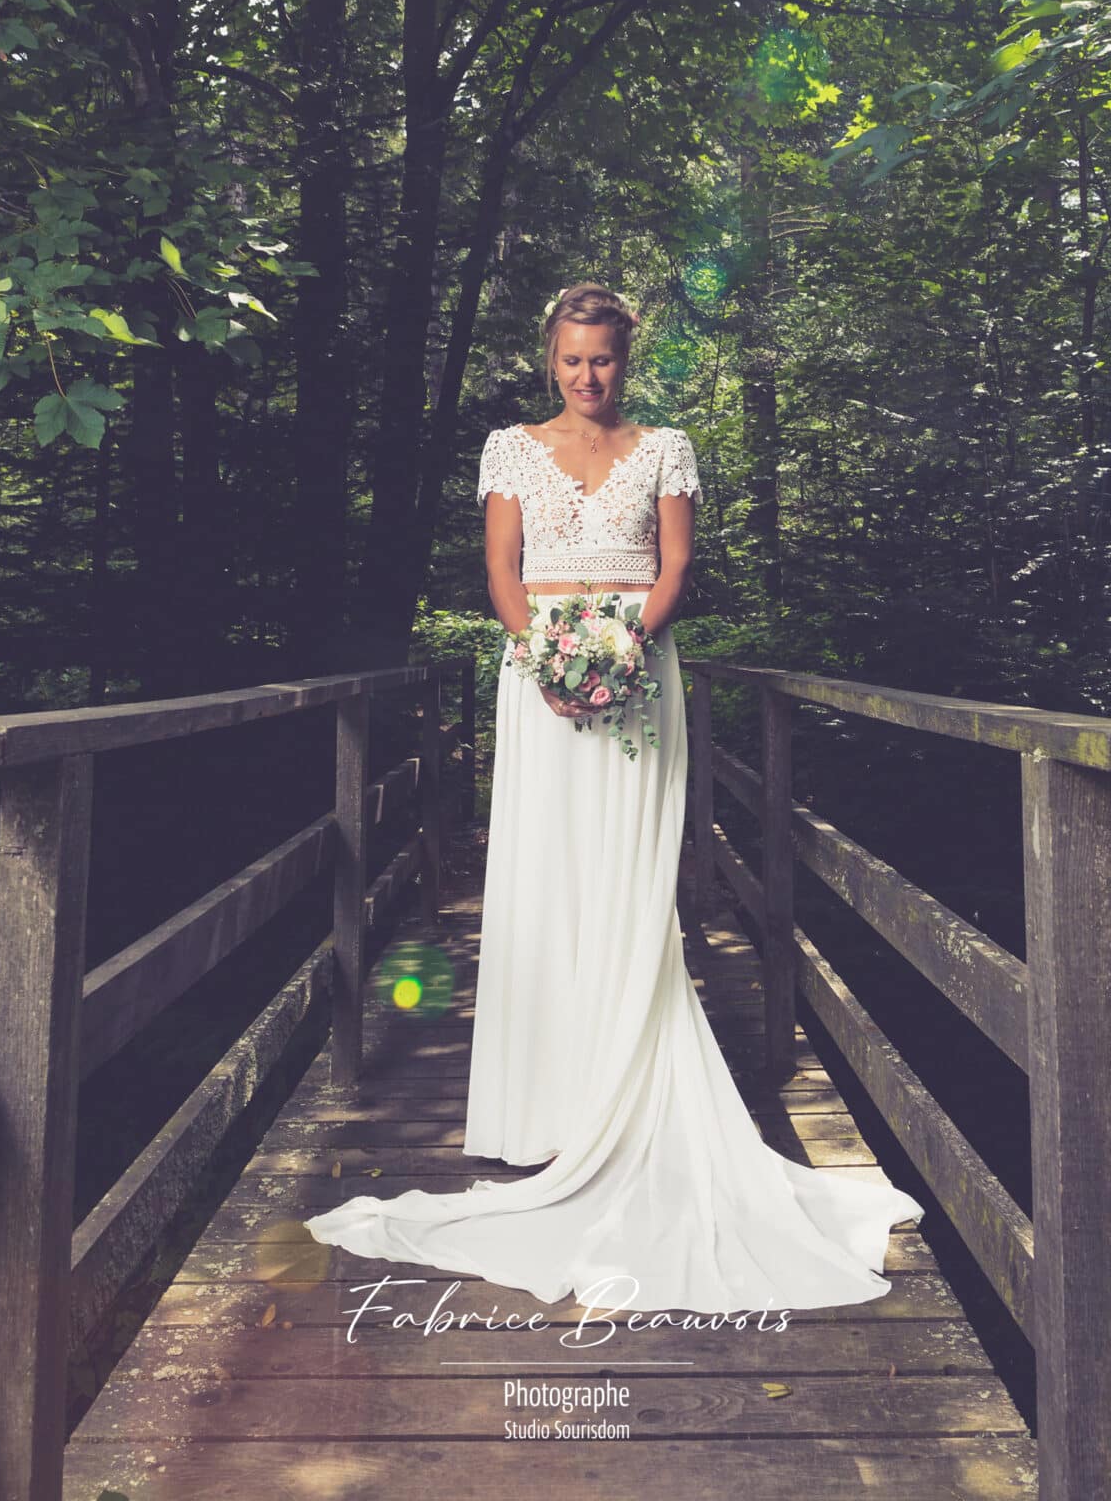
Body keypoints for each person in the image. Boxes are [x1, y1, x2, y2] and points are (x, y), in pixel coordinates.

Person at [304, 281, 925, 1312]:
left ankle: (628, 1095)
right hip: (536, 674)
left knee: (628, 882)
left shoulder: (664, 447)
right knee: (548, 876)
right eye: (570, 359)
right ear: (548, 357)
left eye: (602, 360)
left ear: (623, 361)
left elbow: (676, 565)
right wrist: (546, 655)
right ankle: (541, 1110)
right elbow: (500, 572)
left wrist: (620, 645)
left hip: (638, 674)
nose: (586, 376)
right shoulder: (509, 448)